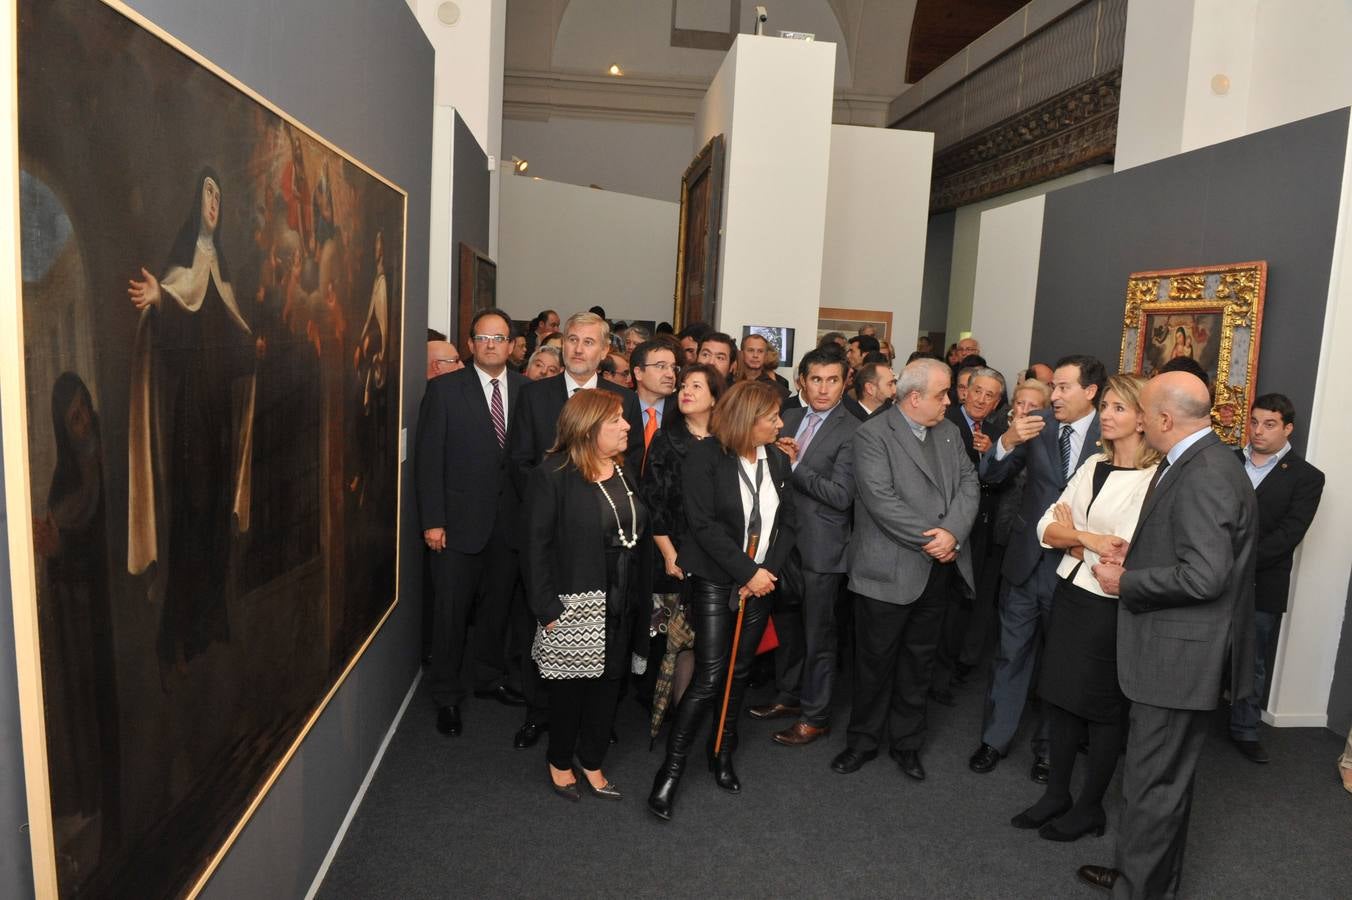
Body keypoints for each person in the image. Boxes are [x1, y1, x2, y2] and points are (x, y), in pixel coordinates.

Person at [1076, 372, 1257, 897]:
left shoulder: (1205, 473)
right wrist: (1139, 555)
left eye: (1143, 408)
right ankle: (1145, 877)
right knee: (1160, 782)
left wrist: (1126, 579)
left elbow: (1205, 576)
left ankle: (1140, 888)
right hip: (1178, 652)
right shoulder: (1203, 462)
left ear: (1163, 419)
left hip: (1178, 659)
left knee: (1154, 784)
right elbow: (1194, 552)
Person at [1010, 374, 1157, 843]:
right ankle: (1057, 794)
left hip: (1110, 604)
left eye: (1119, 408)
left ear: (1143, 418)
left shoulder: (1155, 478)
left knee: (1101, 709)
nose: (1107, 416)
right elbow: (1045, 527)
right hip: (1071, 592)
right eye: (1107, 406)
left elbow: (1127, 549)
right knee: (1058, 695)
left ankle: (1091, 807)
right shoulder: (1093, 463)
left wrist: (1077, 540)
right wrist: (1087, 539)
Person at [127, 168, 260, 673]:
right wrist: (162, 300)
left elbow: (231, 344)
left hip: (218, 419)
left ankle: (210, 622)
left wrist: (252, 348)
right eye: (207, 191)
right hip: (190, 419)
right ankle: (179, 632)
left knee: (213, 518)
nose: (214, 202)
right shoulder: (181, 268)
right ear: (193, 200)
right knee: (192, 512)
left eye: (220, 196)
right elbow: (176, 346)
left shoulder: (219, 269)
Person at [646, 381, 797, 820]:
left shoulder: (780, 459)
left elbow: (788, 522)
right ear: (748, 420)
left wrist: (763, 573)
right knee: (711, 674)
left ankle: (721, 751)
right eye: (771, 417)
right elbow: (703, 526)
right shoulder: (705, 456)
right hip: (716, 578)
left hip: (761, 581)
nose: (779, 423)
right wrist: (747, 572)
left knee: (740, 671)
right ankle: (671, 771)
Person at [831, 358, 978, 781]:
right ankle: (862, 741)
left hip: (936, 571)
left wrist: (952, 533)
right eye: (942, 394)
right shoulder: (872, 434)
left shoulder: (950, 433)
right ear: (915, 398)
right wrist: (936, 540)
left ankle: (907, 743)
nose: (950, 401)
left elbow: (970, 483)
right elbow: (880, 500)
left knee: (920, 662)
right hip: (887, 571)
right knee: (874, 663)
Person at [508, 311, 644, 749]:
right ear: (561, 343)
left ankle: (595, 724)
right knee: (548, 629)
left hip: (605, 537)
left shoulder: (624, 399)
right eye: (571, 339)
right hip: (553, 532)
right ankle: (540, 714)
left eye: (589, 342)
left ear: (606, 351)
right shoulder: (534, 395)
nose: (578, 349)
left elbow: (632, 466)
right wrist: (561, 500)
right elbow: (521, 461)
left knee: (606, 640)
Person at [969, 355, 1105, 781]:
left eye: (1064, 387)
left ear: (1091, 392)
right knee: (1011, 655)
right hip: (1027, 563)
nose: (1054, 395)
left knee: (1061, 664)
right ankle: (994, 739)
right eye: (1054, 387)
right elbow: (991, 475)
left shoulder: (1113, 431)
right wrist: (1007, 441)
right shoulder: (1037, 424)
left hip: (1077, 568)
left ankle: (1049, 750)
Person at [525, 390, 649, 801]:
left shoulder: (622, 471)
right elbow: (535, 548)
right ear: (587, 428)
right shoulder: (553, 474)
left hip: (622, 597)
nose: (626, 425)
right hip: (574, 601)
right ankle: (560, 761)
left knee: (609, 684)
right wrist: (546, 609)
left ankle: (591, 759)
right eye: (615, 420)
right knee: (569, 690)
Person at [416, 308, 526, 738]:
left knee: (498, 608)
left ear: (513, 345)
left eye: (500, 338)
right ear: (471, 344)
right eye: (483, 338)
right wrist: (433, 521)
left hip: (510, 524)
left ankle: (487, 677)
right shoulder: (445, 391)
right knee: (451, 613)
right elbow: (428, 460)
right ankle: (446, 695)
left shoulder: (527, 390)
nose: (492, 345)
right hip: (457, 524)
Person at [760, 349, 858, 746]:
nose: (823, 388)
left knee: (820, 635)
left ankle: (816, 715)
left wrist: (795, 466)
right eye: (815, 379)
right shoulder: (791, 416)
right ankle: (788, 696)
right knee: (789, 628)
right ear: (801, 380)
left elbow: (840, 494)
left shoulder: (854, 429)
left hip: (823, 548)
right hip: (784, 543)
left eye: (832, 380)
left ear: (845, 381)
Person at [1229, 393, 1325, 764]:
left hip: (1261, 581)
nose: (1258, 431)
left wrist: (1237, 560)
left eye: (1269, 424)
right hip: (1208, 572)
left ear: (1288, 429)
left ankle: (1245, 729)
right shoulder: (1228, 461)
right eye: (1254, 421)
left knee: (1251, 657)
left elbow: (1289, 534)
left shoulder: (1306, 477)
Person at [639, 364, 726, 733]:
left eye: (696, 386)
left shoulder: (727, 442)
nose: (685, 391)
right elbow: (652, 502)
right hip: (670, 553)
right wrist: (669, 553)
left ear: (715, 397)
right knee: (670, 639)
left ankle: (691, 718)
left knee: (702, 639)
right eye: (683, 385)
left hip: (714, 556)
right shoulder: (667, 438)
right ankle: (668, 716)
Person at [931, 366, 1009, 705]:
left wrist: (993, 452)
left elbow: (1002, 480)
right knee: (936, 606)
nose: (981, 399)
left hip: (980, 533)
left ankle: (943, 677)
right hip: (942, 528)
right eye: (977, 391)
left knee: (963, 607)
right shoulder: (942, 421)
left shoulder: (998, 431)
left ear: (997, 403)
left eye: (990, 395)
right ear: (965, 391)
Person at [737, 333, 791, 401]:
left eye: (760, 351)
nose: (755, 355)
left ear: (765, 355)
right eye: (750, 350)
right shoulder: (730, 386)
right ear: (741, 354)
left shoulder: (779, 391)